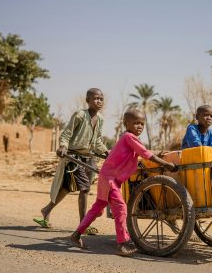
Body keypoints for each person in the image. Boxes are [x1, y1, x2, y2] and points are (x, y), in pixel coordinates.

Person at [68, 109, 176, 256]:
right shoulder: (128, 137)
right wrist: (165, 164)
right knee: (121, 208)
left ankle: (76, 235)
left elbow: (141, 154)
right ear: (126, 124)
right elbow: (145, 154)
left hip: (107, 178)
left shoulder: (129, 138)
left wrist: (156, 156)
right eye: (136, 123)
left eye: (142, 124)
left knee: (97, 208)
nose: (139, 126)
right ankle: (121, 244)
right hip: (110, 179)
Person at [33, 88, 108, 235]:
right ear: (88, 100)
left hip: (90, 157)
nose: (99, 101)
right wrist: (63, 147)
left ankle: (46, 210)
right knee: (85, 188)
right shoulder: (80, 115)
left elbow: (97, 140)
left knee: (67, 187)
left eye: (101, 99)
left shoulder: (101, 119)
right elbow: (66, 134)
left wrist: (106, 152)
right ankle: (83, 224)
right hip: (74, 157)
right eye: (95, 98)